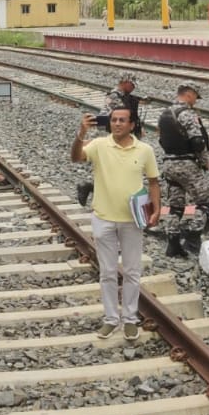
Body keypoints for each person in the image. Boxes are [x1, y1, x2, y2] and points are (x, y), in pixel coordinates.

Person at [70, 106, 161, 343]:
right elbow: (76, 158)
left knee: (132, 271)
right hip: (104, 218)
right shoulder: (99, 145)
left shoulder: (145, 150)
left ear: (132, 125)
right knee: (108, 272)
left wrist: (156, 208)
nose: (117, 124)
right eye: (114, 120)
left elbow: (153, 182)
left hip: (132, 220)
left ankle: (129, 319)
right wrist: (81, 133)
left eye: (122, 120)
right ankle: (111, 319)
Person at [156, 82, 209, 259]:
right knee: (205, 203)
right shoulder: (187, 114)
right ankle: (193, 237)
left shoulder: (165, 113)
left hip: (169, 164)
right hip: (187, 164)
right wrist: (205, 161)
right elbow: (197, 141)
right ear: (189, 94)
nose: (196, 101)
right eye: (196, 97)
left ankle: (172, 244)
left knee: (176, 206)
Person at [77, 72, 141, 207]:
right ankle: (89, 186)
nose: (134, 87)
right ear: (125, 82)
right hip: (107, 133)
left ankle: (95, 188)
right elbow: (122, 113)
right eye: (132, 84)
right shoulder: (114, 96)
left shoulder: (124, 96)